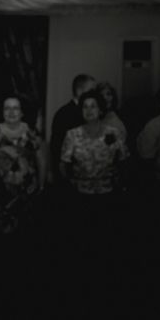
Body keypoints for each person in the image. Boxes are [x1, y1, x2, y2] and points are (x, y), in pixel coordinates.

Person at [59, 89, 129, 229]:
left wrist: (121, 184)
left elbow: (124, 160)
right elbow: (63, 164)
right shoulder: (72, 134)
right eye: (85, 106)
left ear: (101, 110)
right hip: (81, 195)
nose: (89, 110)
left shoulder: (113, 133)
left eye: (93, 106)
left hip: (108, 194)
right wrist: (70, 185)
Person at [0, 94, 47, 236]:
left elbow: (41, 160)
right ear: (2, 111)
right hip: (0, 195)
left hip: (27, 193)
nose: (11, 112)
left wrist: (42, 185)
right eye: (7, 108)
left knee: (26, 235)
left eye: (15, 108)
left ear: (21, 112)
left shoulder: (31, 132)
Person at [49, 73, 97, 186]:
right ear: (80, 91)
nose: (95, 94)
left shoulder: (87, 113)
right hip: (70, 177)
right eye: (92, 90)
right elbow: (57, 148)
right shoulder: (65, 114)